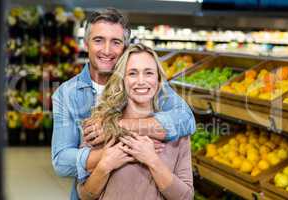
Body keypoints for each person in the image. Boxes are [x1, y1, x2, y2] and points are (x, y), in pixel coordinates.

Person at [51, 8, 195, 200]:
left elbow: (186, 119)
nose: (107, 50)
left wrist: (116, 127)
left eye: (116, 42)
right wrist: (109, 155)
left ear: (125, 46)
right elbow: (61, 161)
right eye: (98, 40)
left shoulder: (147, 86)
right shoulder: (67, 94)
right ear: (86, 43)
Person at [78, 43, 194, 200]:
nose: (141, 81)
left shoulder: (177, 132)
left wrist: (152, 161)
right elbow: (85, 195)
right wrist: (105, 165)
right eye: (132, 73)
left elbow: (186, 197)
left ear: (159, 80)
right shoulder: (98, 127)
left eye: (148, 73)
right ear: (122, 79)